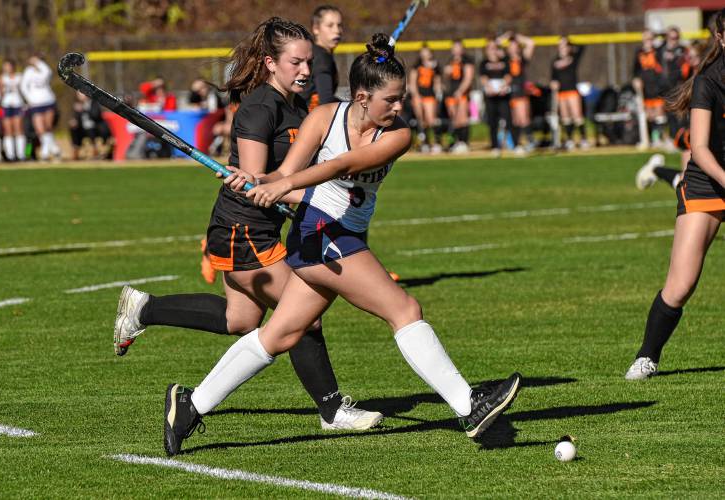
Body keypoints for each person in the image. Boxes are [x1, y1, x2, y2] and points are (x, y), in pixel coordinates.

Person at [161, 33, 522, 456]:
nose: (400, 108)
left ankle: (190, 405)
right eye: (392, 100)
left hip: (344, 232)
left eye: (402, 98)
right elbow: (284, 174)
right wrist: (253, 179)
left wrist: (285, 185)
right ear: (364, 97)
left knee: (280, 334)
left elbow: (344, 165)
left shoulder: (397, 135)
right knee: (404, 309)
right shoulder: (322, 118)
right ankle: (468, 406)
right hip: (319, 232)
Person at [114, 17, 382, 433]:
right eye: (296, 62)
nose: (306, 71)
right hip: (243, 228)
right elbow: (257, 184)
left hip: (259, 227)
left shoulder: (296, 103)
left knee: (240, 321)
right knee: (302, 317)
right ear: (270, 62)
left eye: (309, 62)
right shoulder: (260, 107)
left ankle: (145, 308)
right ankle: (332, 410)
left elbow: (276, 177)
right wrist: (311, 195)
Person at [625, 9, 725, 380]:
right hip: (706, 183)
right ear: (722, 39)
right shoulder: (708, 82)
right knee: (681, 285)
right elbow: (699, 148)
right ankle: (647, 356)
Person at [635, 41, 703, 191]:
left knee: (690, 185)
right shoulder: (690, 77)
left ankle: (656, 170)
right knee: (688, 185)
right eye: (689, 57)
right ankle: (656, 170)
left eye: (695, 57)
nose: (691, 60)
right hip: (694, 132)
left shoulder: (710, 73)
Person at [299, 4, 343, 111]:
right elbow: (326, 100)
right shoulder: (322, 57)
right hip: (309, 120)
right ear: (316, 29)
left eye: (339, 25)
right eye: (330, 25)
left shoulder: (314, 52)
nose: (337, 30)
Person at [498, 31, 535, 155]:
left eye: (515, 45)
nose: (513, 48)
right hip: (509, 92)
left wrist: (517, 37)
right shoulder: (505, 59)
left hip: (520, 92)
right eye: (510, 45)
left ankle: (530, 141)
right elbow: (494, 45)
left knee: (523, 118)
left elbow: (531, 43)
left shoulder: (522, 59)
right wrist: (506, 36)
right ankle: (517, 144)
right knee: (514, 120)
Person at [20, 54, 60, 161]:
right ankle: (50, 150)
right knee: (39, 129)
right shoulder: (28, 71)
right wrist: (29, 99)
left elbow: (47, 73)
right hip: (35, 104)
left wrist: (38, 62)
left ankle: (48, 151)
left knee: (48, 127)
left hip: (48, 101)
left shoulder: (44, 70)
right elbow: (23, 86)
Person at [551, 36, 587, 150]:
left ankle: (583, 139)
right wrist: (554, 83)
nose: (563, 48)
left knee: (577, 116)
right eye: (560, 45)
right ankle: (570, 139)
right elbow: (553, 76)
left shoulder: (573, 57)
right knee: (566, 117)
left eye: (565, 45)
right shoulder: (555, 61)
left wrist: (569, 42)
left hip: (572, 90)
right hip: (561, 92)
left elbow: (582, 47)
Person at [633, 29, 667, 148]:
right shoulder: (639, 52)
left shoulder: (658, 51)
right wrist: (636, 79)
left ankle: (659, 138)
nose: (648, 41)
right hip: (645, 87)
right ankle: (651, 138)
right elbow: (636, 69)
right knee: (649, 115)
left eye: (650, 38)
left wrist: (658, 34)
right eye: (646, 38)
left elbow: (665, 39)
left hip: (657, 86)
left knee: (659, 113)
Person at [659, 26, 691, 146]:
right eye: (671, 38)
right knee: (669, 115)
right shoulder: (661, 50)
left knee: (681, 115)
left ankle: (681, 139)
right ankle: (672, 139)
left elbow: (685, 69)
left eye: (676, 38)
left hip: (679, 88)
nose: (674, 40)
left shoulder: (682, 51)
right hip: (666, 89)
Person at [479, 37, 511, 157]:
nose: (492, 50)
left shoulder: (504, 61)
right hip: (490, 96)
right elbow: (483, 77)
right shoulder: (484, 63)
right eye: (490, 48)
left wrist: (504, 86)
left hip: (503, 95)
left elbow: (508, 76)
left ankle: (511, 143)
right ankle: (495, 146)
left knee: (507, 119)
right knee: (492, 122)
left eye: (494, 48)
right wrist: (489, 87)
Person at [409, 44, 442, 153]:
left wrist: (438, 93)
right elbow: (412, 83)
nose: (425, 54)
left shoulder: (435, 66)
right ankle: (425, 143)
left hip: (430, 95)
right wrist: (416, 95)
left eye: (427, 52)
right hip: (419, 95)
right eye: (423, 52)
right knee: (421, 120)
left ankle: (435, 142)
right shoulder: (416, 66)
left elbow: (437, 81)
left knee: (431, 120)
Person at [443, 40, 473, 154]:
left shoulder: (467, 60)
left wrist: (460, 91)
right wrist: (446, 73)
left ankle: (464, 142)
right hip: (451, 93)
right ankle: (455, 142)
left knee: (462, 118)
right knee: (454, 119)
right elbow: (445, 77)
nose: (456, 50)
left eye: (459, 47)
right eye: (454, 47)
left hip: (461, 94)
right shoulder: (450, 60)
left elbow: (468, 78)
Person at [68, 91, 111, 160]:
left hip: (96, 128)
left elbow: (96, 115)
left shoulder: (94, 103)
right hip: (83, 128)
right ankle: (76, 149)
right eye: (78, 94)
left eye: (81, 94)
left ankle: (95, 150)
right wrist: (74, 121)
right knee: (73, 129)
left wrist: (84, 109)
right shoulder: (77, 105)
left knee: (89, 128)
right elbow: (76, 118)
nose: (79, 96)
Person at [0, 59, 25, 162]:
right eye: (5, 66)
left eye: (8, 66)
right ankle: (10, 155)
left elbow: (24, 89)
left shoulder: (19, 76)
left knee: (18, 129)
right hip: (6, 105)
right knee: (8, 130)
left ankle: (21, 154)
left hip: (18, 104)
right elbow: (0, 93)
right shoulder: (2, 78)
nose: (7, 68)